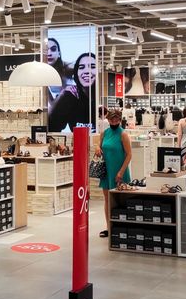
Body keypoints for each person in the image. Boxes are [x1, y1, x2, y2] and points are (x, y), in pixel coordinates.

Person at [95, 109, 131, 238]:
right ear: (108, 120)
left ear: (120, 120)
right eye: (111, 120)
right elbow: (99, 145)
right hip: (107, 170)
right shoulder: (104, 133)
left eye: (116, 120)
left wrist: (121, 171)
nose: (114, 123)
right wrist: (97, 148)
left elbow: (129, 155)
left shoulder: (123, 134)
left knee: (121, 200)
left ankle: (123, 227)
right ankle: (109, 227)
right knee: (107, 200)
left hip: (119, 170)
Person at [48, 53, 97, 132]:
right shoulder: (70, 96)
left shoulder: (99, 97)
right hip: (77, 139)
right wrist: (61, 95)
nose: (87, 71)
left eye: (93, 67)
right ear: (76, 73)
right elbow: (53, 127)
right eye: (81, 67)